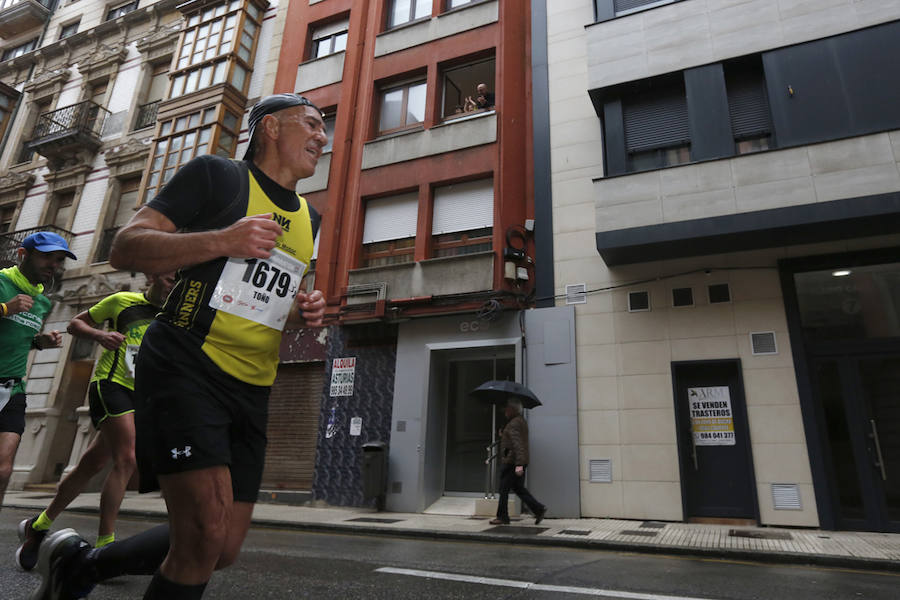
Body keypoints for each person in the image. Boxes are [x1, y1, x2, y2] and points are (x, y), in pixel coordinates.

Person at [31, 93, 327, 600]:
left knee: (223, 545)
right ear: (272, 128)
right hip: (187, 363)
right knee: (203, 536)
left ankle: (81, 563)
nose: (324, 138)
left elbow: (256, 299)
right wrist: (222, 240)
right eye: (314, 124)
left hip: (253, 384)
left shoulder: (309, 217)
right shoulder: (218, 176)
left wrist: (299, 312)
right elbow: (126, 245)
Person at [15, 273, 175, 572]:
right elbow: (75, 323)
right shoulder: (121, 301)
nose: (172, 287)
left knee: (92, 463)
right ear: (153, 276)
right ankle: (106, 546)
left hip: (140, 393)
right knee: (126, 459)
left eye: (178, 282)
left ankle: (39, 525)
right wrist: (100, 336)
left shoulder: (172, 315)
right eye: (168, 279)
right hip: (109, 384)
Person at [1, 232, 74, 510]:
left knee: (3, 471)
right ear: (23, 254)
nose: (53, 264)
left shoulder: (42, 302)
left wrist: (39, 342)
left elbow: (15, 338)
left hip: (13, 389)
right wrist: (6, 307)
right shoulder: (2, 282)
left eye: (58, 260)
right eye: (46, 256)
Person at [489, 397, 547, 526]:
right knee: (518, 488)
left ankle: (503, 517)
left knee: (503, 489)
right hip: (516, 461)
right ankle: (538, 509)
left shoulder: (514, 423)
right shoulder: (519, 421)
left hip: (511, 462)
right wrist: (503, 433)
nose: (505, 411)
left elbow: (518, 444)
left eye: (507, 408)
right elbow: (513, 440)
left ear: (512, 409)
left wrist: (519, 464)